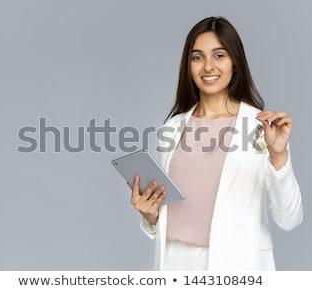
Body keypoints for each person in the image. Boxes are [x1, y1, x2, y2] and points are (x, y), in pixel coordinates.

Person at [129, 16, 303, 271]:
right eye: (197, 57)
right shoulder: (174, 127)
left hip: (236, 265)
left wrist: (278, 155)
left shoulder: (260, 127)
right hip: (174, 262)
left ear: (235, 62)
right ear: (188, 66)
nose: (208, 66)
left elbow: (289, 218)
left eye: (219, 55)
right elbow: (169, 211)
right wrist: (150, 215)